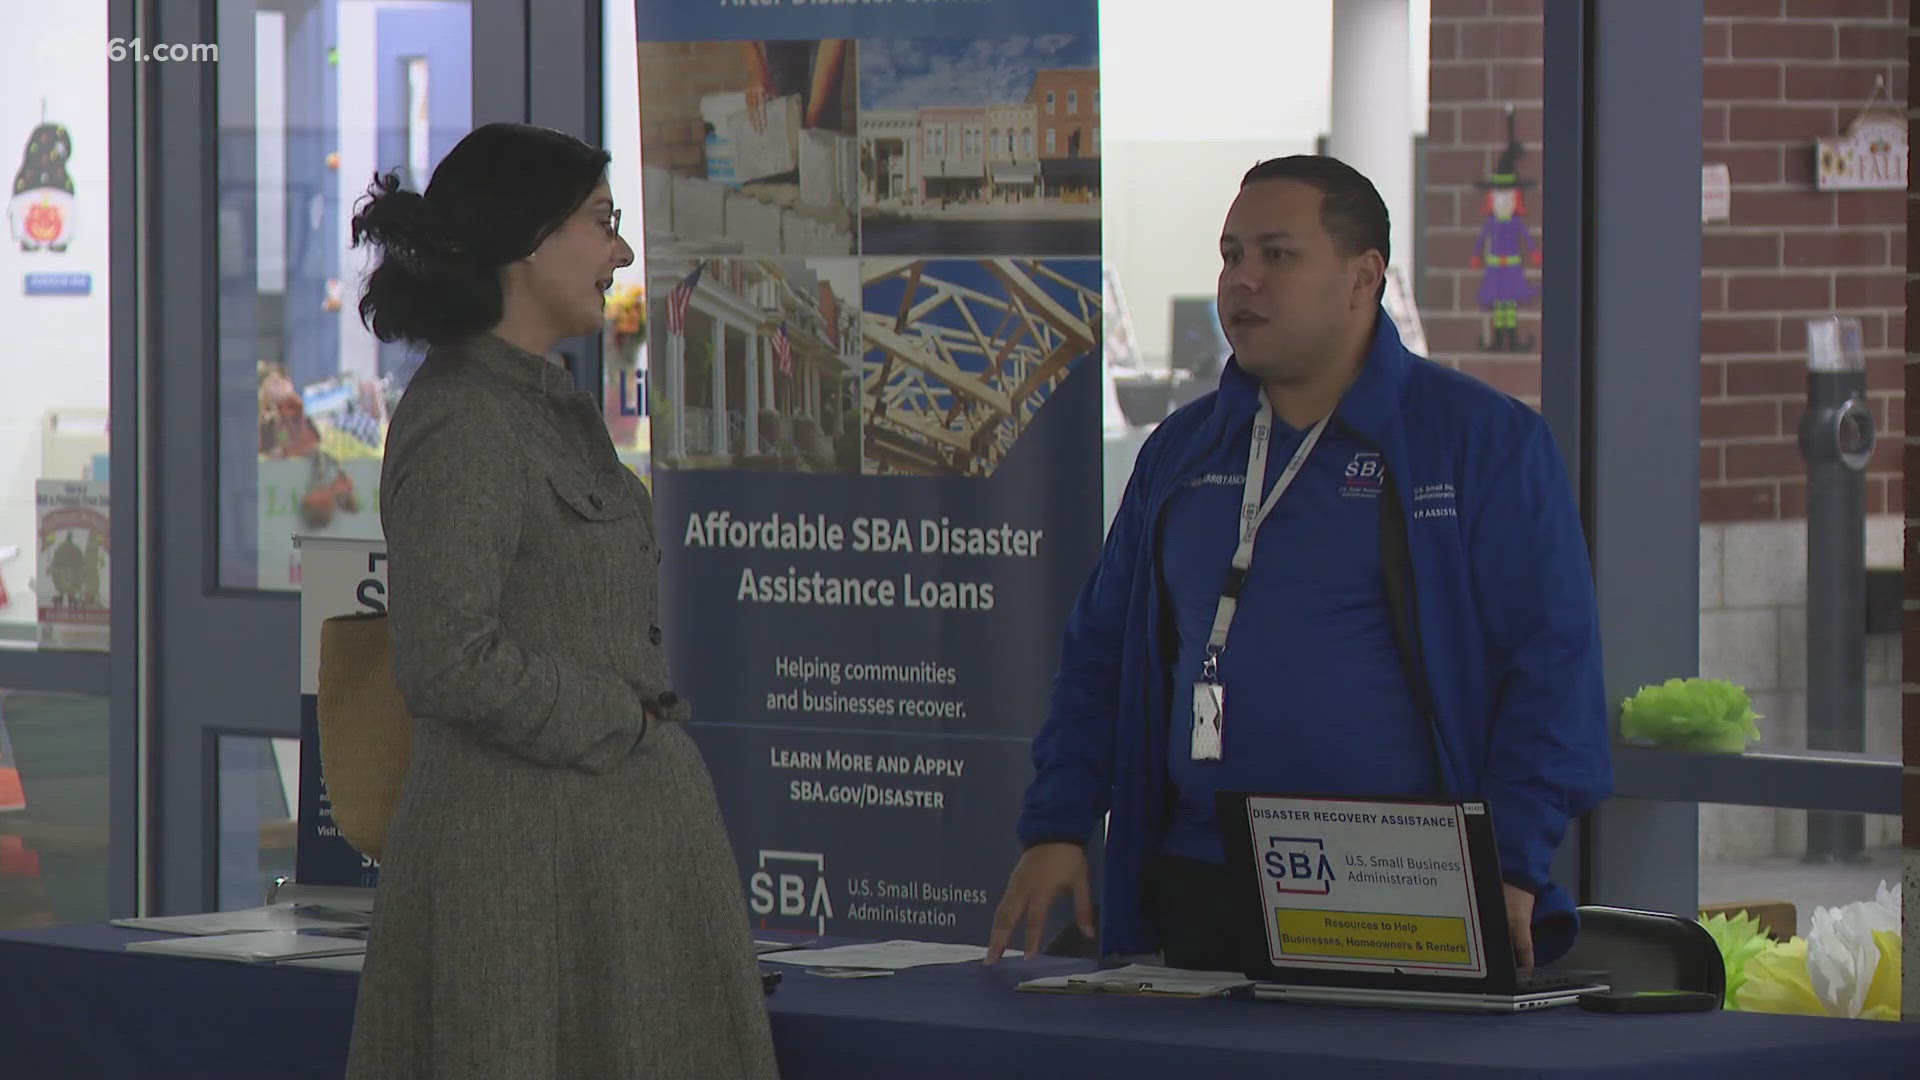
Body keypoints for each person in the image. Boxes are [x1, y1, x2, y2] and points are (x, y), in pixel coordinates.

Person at [987, 155, 1610, 975]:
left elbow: (1551, 667)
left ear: (1363, 278)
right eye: (1230, 255)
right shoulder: (1180, 452)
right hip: (1200, 879)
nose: (1242, 280)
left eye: (1276, 255)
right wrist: (1059, 825)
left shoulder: (1477, 443)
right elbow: (1101, 655)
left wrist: (1515, 862)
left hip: (1398, 891)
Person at [342, 122, 779, 1079]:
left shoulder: (544, 405)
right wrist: (616, 717)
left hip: (603, 873)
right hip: (522, 878)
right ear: (525, 240)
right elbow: (447, 658)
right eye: (601, 221)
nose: (621, 250)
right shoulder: (464, 420)